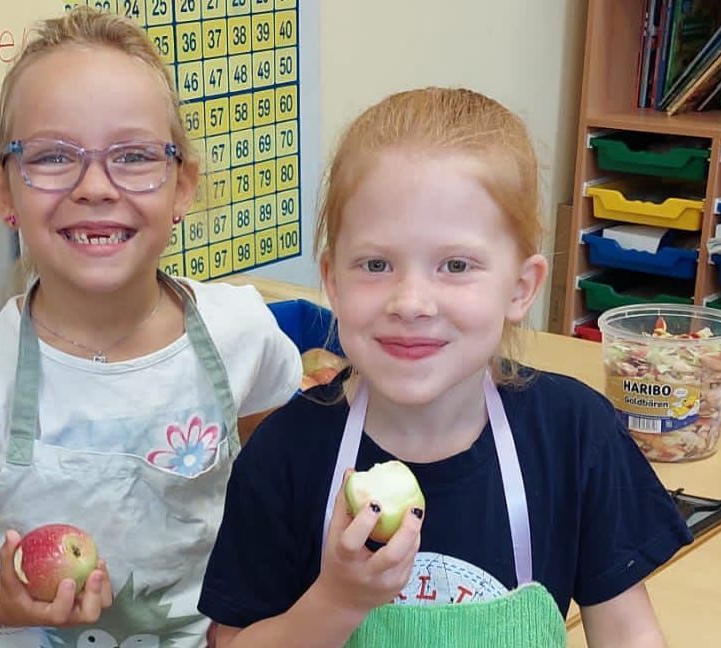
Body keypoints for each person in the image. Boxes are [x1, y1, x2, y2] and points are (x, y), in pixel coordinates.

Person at [197, 87, 693, 648]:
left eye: (455, 265)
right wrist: (336, 602)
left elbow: (629, 632)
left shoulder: (574, 435)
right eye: (376, 264)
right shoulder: (285, 454)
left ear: (520, 288)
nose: (410, 302)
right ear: (332, 281)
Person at [0, 8, 303, 647]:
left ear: (182, 187)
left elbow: (275, 482)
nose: (95, 187)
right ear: (3, 192)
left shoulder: (241, 335)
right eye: (54, 157)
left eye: (133, 156)